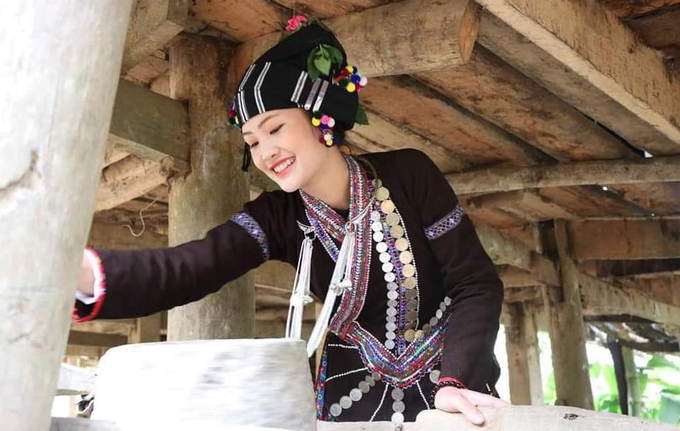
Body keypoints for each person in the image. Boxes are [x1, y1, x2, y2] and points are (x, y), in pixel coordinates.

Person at [74, 15, 508, 425]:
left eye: (275, 128)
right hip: (350, 401)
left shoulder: (410, 175)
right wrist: (78, 275)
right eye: (253, 141)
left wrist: (456, 380)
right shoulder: (279, 217)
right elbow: (190, 267)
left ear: (320, 115)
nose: (265, 153)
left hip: (453, 392)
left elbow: (476, 283)